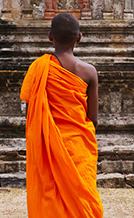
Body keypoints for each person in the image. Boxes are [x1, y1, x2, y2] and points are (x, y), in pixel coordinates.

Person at [19, 12, 103, 218]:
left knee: (50, 200)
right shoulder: (89, 72)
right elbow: (93, 118)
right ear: (79, 37)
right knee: (82, 200)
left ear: (50, 36)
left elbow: (31, 116)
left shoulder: (38, 69)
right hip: (78, 148)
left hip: (48, 148)